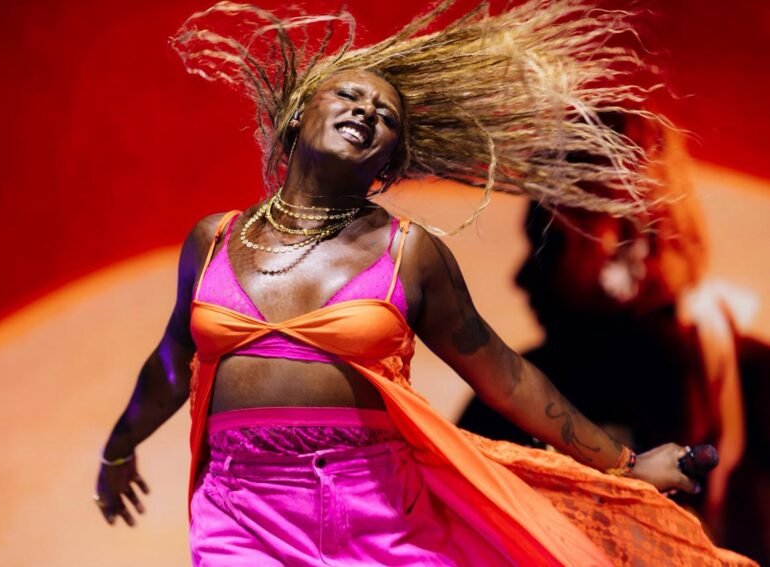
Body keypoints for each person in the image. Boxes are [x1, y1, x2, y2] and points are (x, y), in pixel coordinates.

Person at [93, 1, 757, 564]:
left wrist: (626, 464)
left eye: (385, 115)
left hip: (371, 509)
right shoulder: (214, 238)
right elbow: (173, 362)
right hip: (238, 509)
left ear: (387, 165)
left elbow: (506, 378)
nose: (366, 111)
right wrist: (121, 447)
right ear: (297, 117)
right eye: (348, 96)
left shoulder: (409, 255)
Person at [458, 114, 770, 563]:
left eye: (551, 244)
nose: (523, 277)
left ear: (630, 237)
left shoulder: (512, 395)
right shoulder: (508, 396)